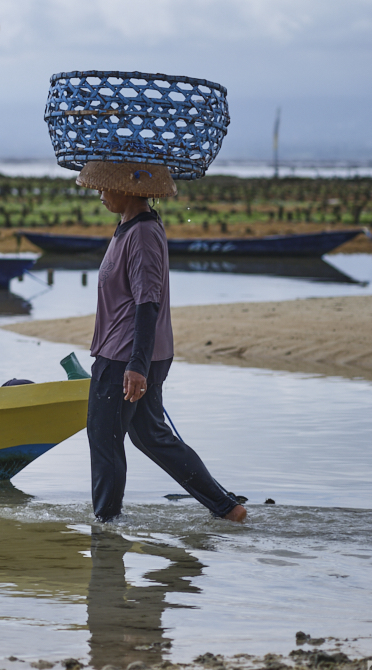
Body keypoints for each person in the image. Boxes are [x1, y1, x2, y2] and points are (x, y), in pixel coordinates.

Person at [78, 160, 247, 524]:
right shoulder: (129, 227)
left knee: (104, 440)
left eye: (106, 186)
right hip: (132, 354)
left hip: (126, 357)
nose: (100, 192)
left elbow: (147, 301)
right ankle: (226, 508)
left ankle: (106, 527)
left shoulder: (141, 235)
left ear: (128, 188)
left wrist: (136, 366)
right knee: (151, 436)